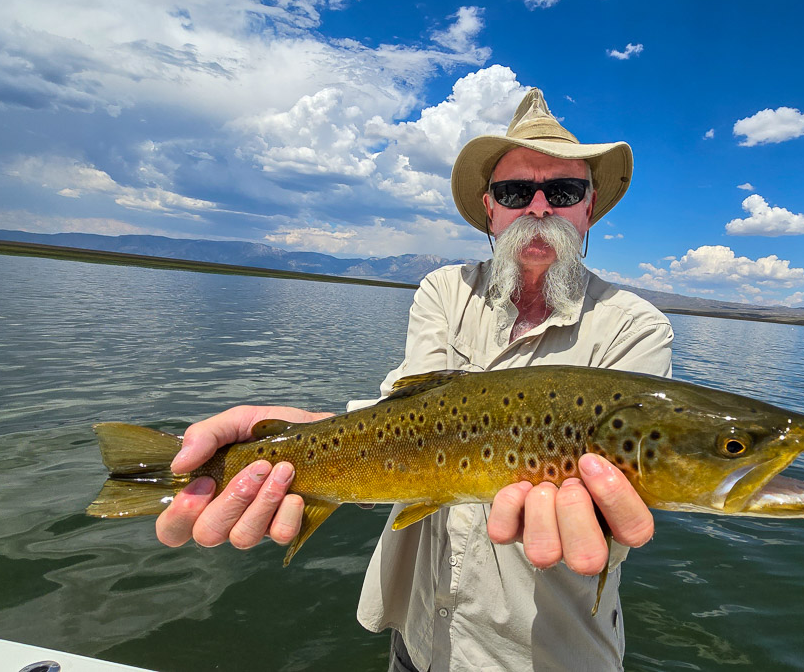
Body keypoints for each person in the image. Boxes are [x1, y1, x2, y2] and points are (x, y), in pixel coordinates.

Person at [154, 89, 674, 671]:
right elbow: (404, 422)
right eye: (513, 192)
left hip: (543, 653)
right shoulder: (443, 291)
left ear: (587, 208)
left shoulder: (636, 327)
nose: (537, 207)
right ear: (490, 209)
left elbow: (629, 481)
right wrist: (290, 439)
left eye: (561, 191)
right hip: (418, 632)